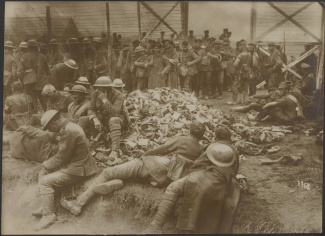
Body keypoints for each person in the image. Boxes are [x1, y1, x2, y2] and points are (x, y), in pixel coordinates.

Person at [60, 122, 206, 216]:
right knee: (129, 174)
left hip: (151, 168)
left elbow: (162, 149)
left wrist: (145, 154)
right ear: (202, 135)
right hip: (162, 180)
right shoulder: (201, 150)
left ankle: (78, 204)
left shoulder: (182, 139)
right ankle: (119, 182)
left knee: (107, 171)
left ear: (189, 130)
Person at [143, 127, 239, 234]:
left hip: (206, 179)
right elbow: (234, 171)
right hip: (224, 182)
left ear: (216, 137)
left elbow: (196, 166)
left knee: (173, 188)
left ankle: (155, 227)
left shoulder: (212, 147)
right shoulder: (234, 151)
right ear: (229, 137)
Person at [32, 110, 99, 230]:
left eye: (49, 126)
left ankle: (49, 215)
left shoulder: (69, 131)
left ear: (55, 121)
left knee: (45, 181)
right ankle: (47, 204)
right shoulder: (71, 127)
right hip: (79, 165)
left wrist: (46, 164)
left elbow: (62, 157)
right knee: (49, 172)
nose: (50, 130)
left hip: (79, 169)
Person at [77, 76, 126, 161]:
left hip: (117, 121)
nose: (101, 89)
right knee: (83, 119)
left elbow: (115, 112)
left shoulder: (118, 95)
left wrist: (104, 99)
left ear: (110, 87)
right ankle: (75, 144)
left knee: (113, 119)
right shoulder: (95, 94)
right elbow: (91, 109)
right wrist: (95, 119)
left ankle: (115, 151)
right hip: (102, 120)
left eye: (104, 87)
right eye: (99, 87)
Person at [17, 39, 51, 114]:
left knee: (32, 103)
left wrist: (24, 81)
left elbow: (19, 72)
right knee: (44, 102)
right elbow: (48, 71)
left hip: (29, 84)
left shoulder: (24, 57)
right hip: (42, 84)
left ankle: (34, 119)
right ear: (36, 47)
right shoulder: (43, 57)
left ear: (28, 47)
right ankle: (48, 117)